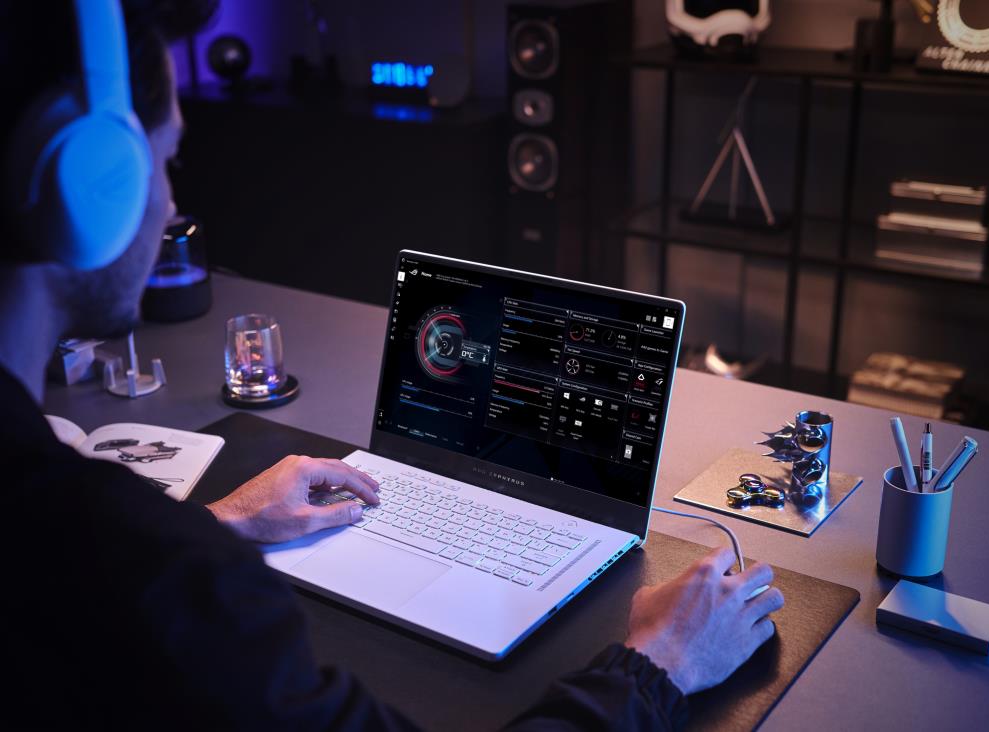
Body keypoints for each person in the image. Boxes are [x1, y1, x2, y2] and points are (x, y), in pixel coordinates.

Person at [0, 1, 783, 728]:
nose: (171, 206)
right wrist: (658, 665)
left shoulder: (84, 537)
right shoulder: (156, 569)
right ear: (82, 183)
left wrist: (219, 522)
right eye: (162, 164)